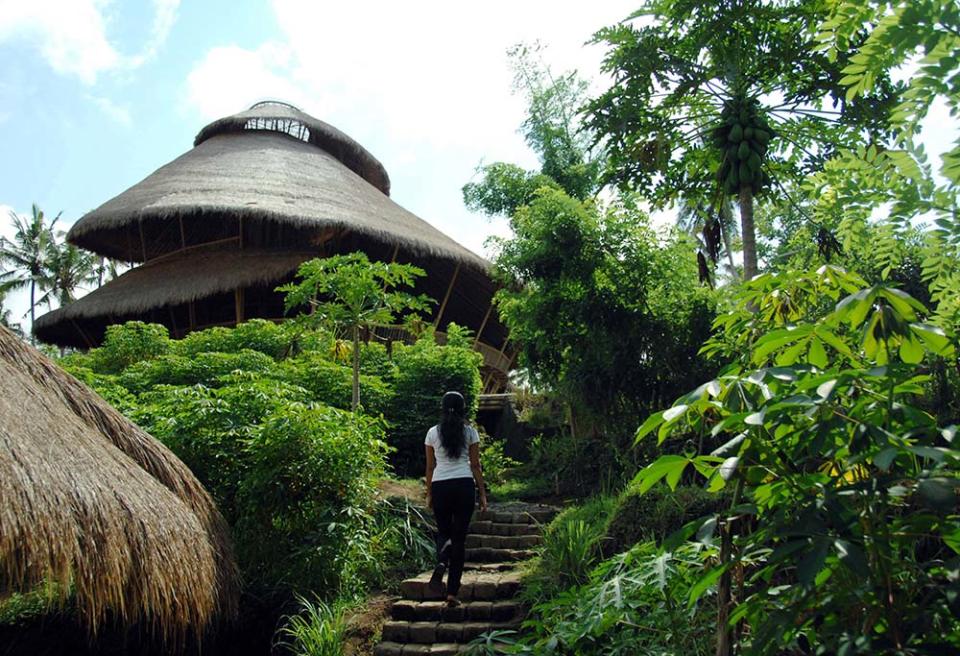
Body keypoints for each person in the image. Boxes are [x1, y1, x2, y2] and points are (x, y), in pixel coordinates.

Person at [424, 390, 488, 606]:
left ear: (442, 408)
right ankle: (452, 593)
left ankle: (442, 561)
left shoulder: (432, 433)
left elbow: (430, 467)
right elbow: (476, 465)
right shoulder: (470, 432)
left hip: (440, 486)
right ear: (463, 409)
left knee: (443, 532)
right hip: (464, 486)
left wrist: (429, 493)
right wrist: (483, 494)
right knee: (459, 539)